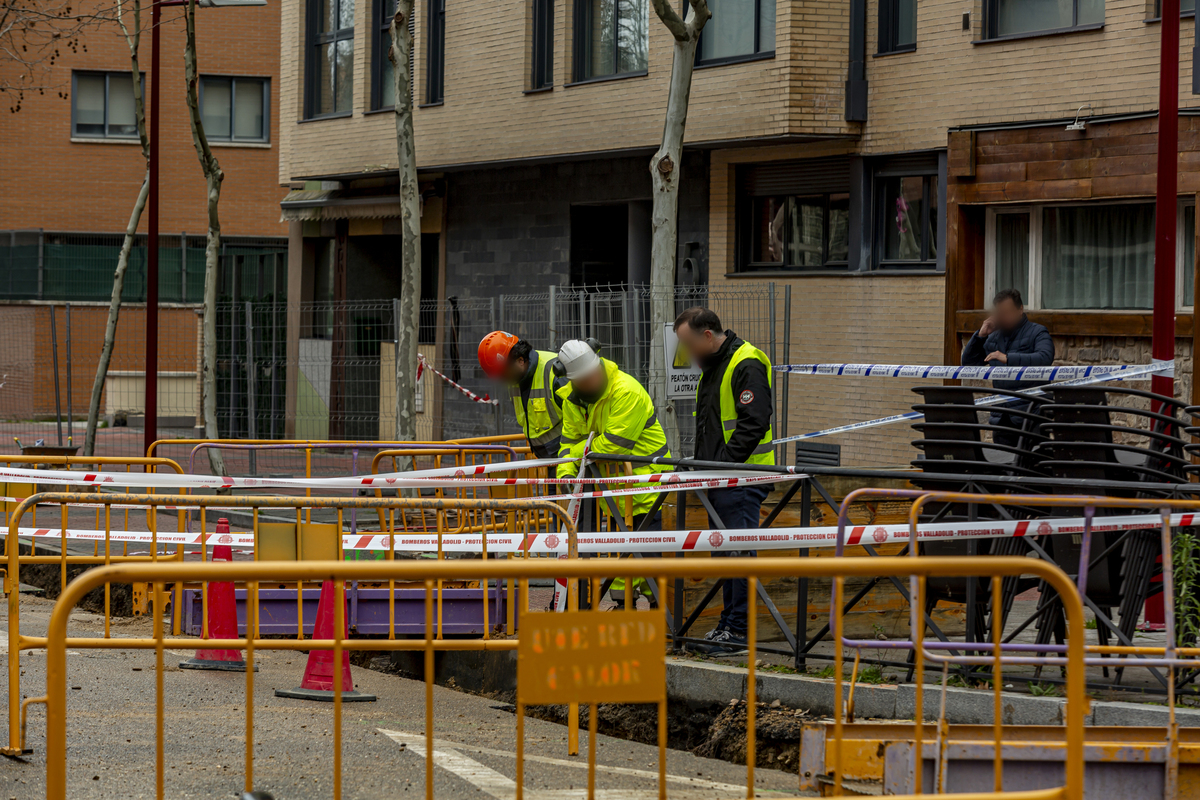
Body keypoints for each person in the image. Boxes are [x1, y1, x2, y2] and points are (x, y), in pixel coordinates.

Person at [672, 307, 774, 657]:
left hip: (743, 478)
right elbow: (712, 426)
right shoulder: (714, 367)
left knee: (738, 552)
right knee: (729, 552)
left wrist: (725, 467)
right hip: (725, 477)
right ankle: (728, 626)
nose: (685, 353)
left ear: (706, 336)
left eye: (687, 344)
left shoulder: (745, 362)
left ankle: (738, 630)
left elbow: (753, 423)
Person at [555, 338, 672, 607]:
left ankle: (666, 626)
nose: (591, 382)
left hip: (649, 490)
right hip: (617, 497)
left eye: (593, 375)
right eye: (584, 379)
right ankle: (624, 612)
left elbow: (614, 445)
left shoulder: (626, 391)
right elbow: (566, 443)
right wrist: (565, 475)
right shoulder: (573, 401)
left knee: (654, 565)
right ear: (573, 381)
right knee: (624, 565)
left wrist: (577, 453)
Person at [961, 289, 1054, 447]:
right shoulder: (994, 337)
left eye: (1008, 312)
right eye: (1000, 313)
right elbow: (969, 364)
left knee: (1032, 467)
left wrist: (1008, 358)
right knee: (1004, 466)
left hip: (1031, 416)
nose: (1004, 317)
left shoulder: (1037, 332)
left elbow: (1045, 357)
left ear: (1020, 310)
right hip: (1002, 418)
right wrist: (980, 336)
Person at [477, 331, 569, 459]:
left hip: (568, 459)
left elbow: (581, 420)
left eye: (503, 373)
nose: (502, 380)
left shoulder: (555, 372)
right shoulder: (515, 378)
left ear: (520, 360)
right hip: (546, 459)